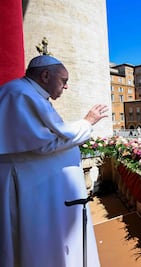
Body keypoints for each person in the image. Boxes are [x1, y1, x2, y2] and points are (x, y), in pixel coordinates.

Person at [0, 55, 107, 267]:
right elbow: (46, 143)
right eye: (63, 80)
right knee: (36, 245)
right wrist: (87, 123)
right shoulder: (20, 94)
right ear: (45, 75)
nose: (66, 87)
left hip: (39, 187)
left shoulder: (30, 94)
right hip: (29, 188)